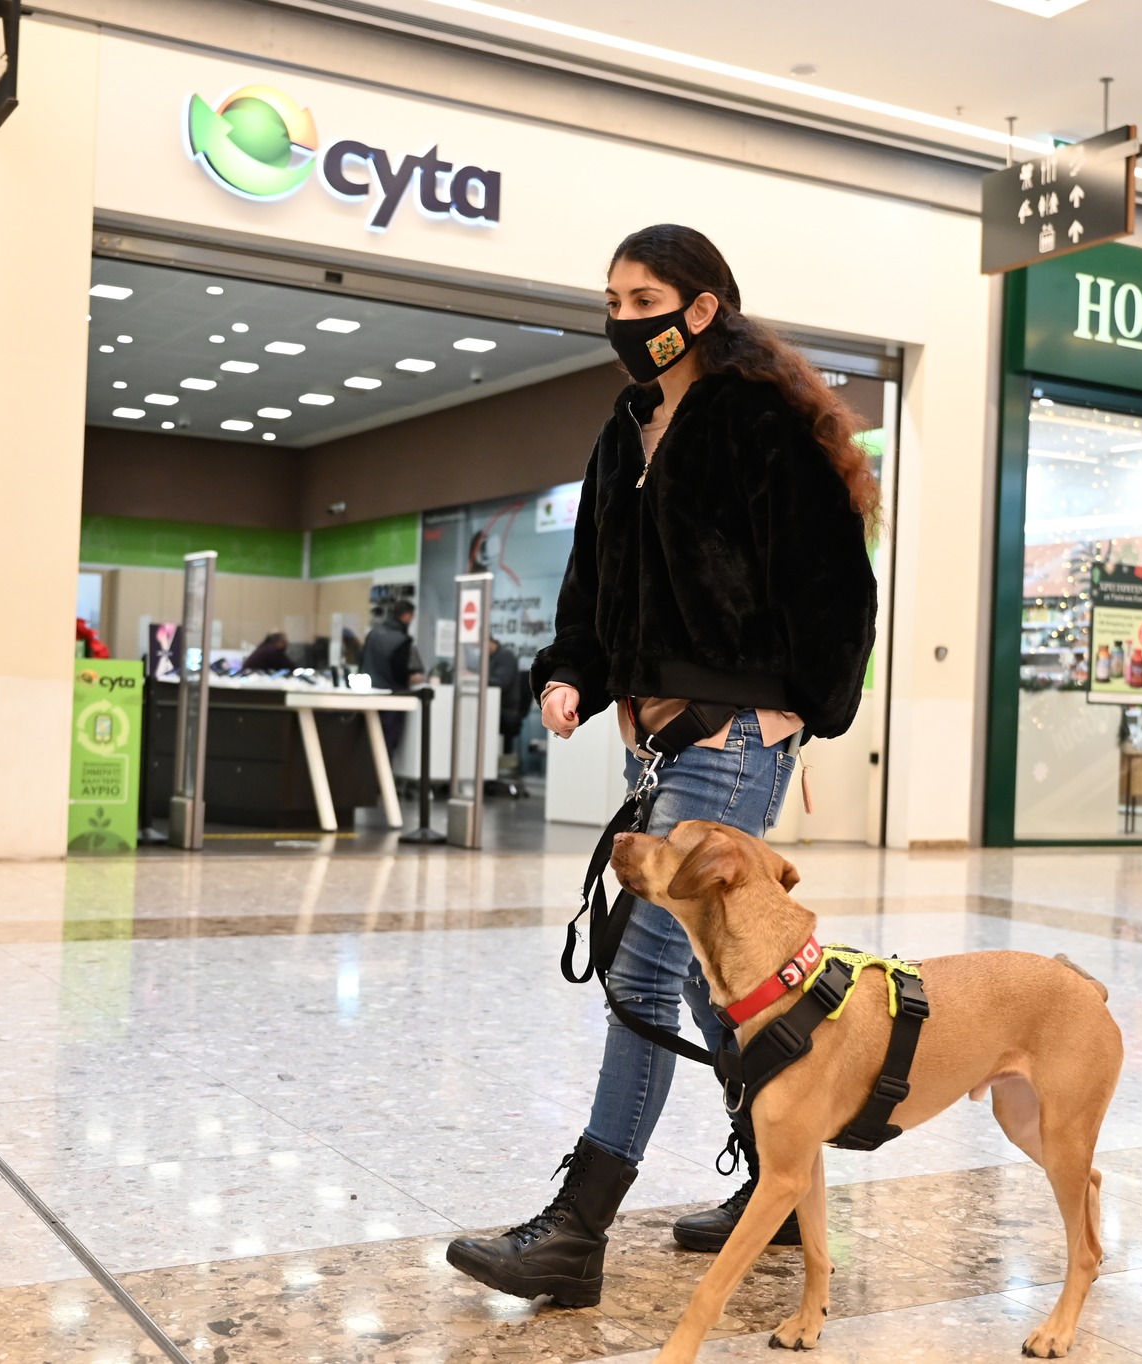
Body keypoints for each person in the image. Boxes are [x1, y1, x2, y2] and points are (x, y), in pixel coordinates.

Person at [445, 224, 878, 1306]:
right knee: (696, 974)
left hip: (734, 736)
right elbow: (595, 580)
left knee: (638, 972)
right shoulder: (624, 426)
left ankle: (574, 1231)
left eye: (643, 295)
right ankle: (776, 1182)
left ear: (702, 306)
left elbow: (832, 583)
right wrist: (571, 675)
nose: (623, 316)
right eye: (612, 296)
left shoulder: (757, 420)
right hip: (656, 735)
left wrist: (803, 708)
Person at [360, 601, 425, 753]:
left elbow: (362, 659)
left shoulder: (373, 634)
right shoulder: (401, 640)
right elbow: (400, 672)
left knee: (371, 741)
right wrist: (412, 678)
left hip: (370, 694)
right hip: (392, 697)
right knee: (388, 742)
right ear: (407, 615)